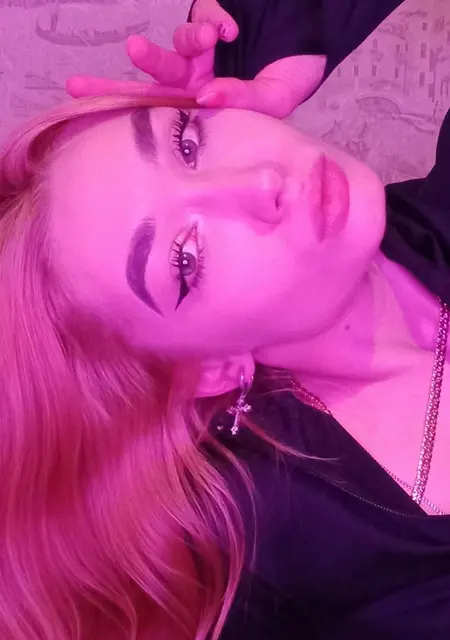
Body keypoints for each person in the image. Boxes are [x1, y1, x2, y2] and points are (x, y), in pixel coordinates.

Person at [1, 3, 450, 640]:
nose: (260, 181)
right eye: (184, 260)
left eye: (187, 142)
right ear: (208, 368)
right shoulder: (283, 561)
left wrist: (289, 35)